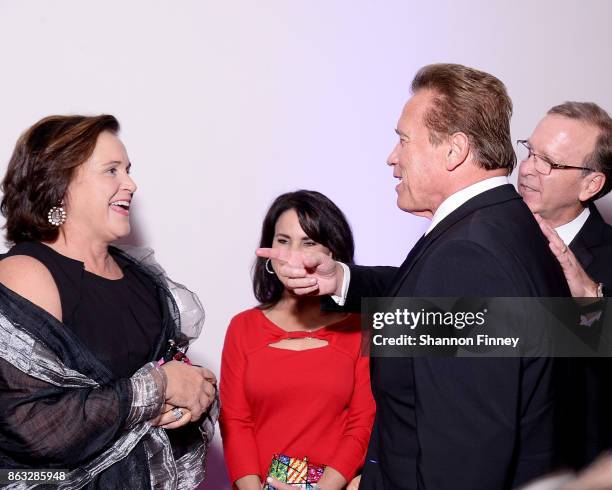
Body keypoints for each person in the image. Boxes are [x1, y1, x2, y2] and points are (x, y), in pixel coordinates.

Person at [258, 64, 570, 489]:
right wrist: (341, 280)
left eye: (404, 139)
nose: (392, 156)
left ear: (454, 150)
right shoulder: (501, 222)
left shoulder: (468, 256)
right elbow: (439, 311)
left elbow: (464, 461)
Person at [0, 115, 218, 488]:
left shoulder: (141, 277)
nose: (130, 184)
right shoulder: (27, 274)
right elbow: (30, 425)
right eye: (111, 170)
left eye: (128, 170)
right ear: (59, 183)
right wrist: (158, 388)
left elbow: (174, 373)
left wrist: (197, 390)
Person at [219, 190, 375, 490]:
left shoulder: (360, 327)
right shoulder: (243, 328)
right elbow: (236, 423)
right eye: (283, 241)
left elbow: (362, 423)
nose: (292, 255)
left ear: (333, 253)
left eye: (309, 243)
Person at [516, 101, 612, 470]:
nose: (527, 169)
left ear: (591, 183)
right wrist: (346, 279)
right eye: (530, 152)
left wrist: (591, 301)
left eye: (549, 163)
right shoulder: (491, 230)